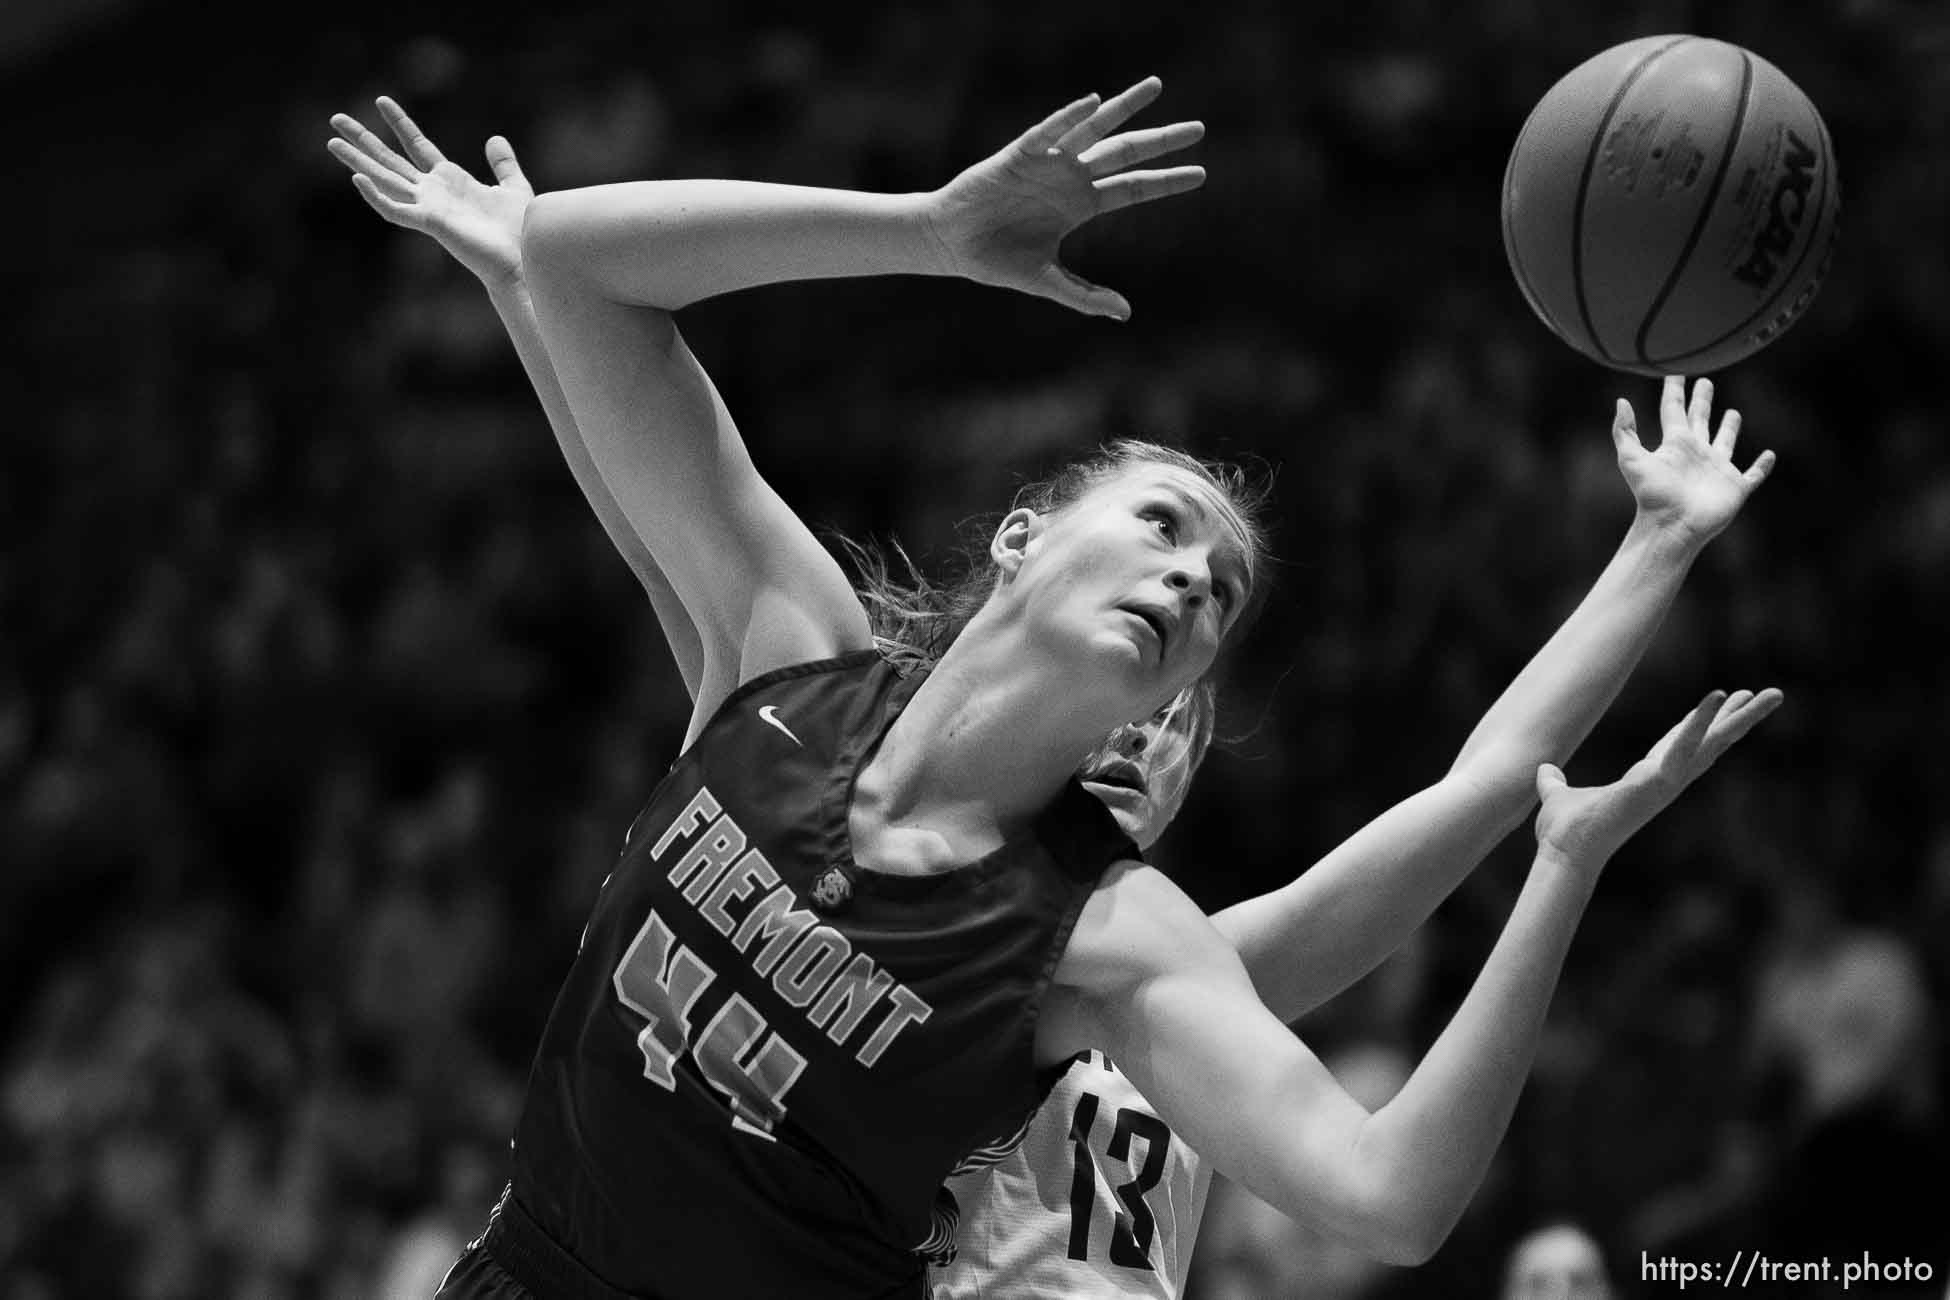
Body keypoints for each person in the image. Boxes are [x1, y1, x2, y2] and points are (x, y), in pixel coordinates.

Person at [327, 81, 1780, 1300]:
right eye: (1161, 526)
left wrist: (1575, 816)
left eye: (1217, 602)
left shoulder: (1127, 955)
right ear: (1020, 536)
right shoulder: (783, 673)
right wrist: (925, 230)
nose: (1189, 583)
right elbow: (584, 293)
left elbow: (1468, 844)